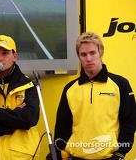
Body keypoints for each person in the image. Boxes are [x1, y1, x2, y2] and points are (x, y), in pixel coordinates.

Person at [51, 32, 136, 160]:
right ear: (79, 57)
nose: (88, 58)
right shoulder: (70, 89)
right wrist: (59, 153)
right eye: (83, 54)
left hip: (110, 157)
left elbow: (130, 122)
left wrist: (120, 154)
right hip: (76, 157)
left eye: (92, 53)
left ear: (100, 53)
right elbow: (62, 127)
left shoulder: (120, 84)